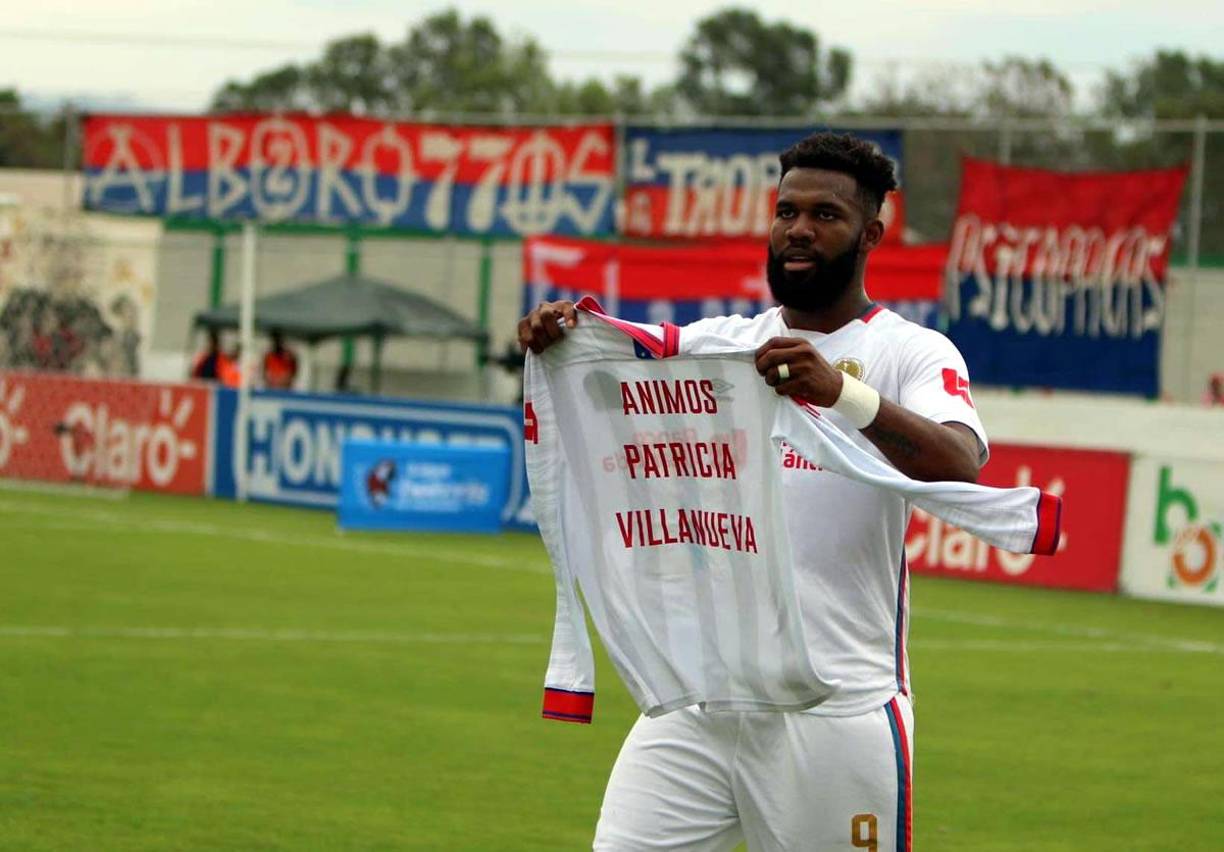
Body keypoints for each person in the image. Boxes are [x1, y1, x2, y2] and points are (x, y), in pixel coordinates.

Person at [518, 132, 987, 851]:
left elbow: (960, 463)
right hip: (701, 698)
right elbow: (628, 350)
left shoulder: (910, 351)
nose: (799, 228)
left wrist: (845, 395)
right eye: (786, 210)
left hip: (836, 712)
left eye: (825, 215)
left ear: (870, 234)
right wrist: (564, 334)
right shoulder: (724, 344)